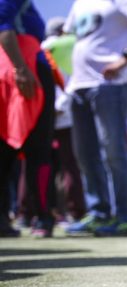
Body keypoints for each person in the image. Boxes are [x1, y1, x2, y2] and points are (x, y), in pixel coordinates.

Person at [64, 0, 127, 237]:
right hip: (78, 87)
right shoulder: (79, 4)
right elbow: (69, 38)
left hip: (109, 87)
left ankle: (126, 217)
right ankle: (99, 214)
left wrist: (125, 57)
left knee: (114, 152)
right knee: (85, 154)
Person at [0, 0, 56, 238]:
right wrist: (21, 69)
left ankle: (8, 218)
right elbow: (3, 25)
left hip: (11, 69)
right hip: (24, 70)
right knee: (38, 150)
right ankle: (42, 218)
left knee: (6, 152)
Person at [42, 16, 86, 224]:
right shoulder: (71, 44)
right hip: (66, 113)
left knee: (39, 164)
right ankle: (75, 211)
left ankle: (36, 211)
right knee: (70, 165)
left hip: (41, 114)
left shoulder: (39, 46)